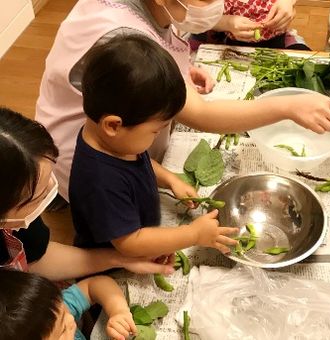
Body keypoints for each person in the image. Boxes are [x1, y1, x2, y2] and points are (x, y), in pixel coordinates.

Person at [35, 0, 330, 203]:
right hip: (90, 161)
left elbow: (150, 46)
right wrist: (288, 106)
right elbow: (200, 114)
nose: (215, 6)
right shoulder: (117, 30)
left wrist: (178, 70)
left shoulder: (152, 8)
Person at [70, 35, 238, 258]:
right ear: (113, 125)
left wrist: (170, 179)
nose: (158, 135)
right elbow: (130, 243)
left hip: (143, 230)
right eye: (155, 130)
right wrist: (192, 235)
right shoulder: (100, 181)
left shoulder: (114, 142)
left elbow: (137, 162)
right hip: (115, 261)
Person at [0, 107, 173, 279]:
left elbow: (38, 258)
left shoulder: (19, 217)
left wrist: (121, 259)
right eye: (37, 196)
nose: (50, 190)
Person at [0, 270, 136, 340]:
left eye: (65, 312)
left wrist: (118, 310)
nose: (71, 320)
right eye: (63, 330)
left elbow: (93, 285)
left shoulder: (51, 312)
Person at [190, 0, 310, 50]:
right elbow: (195, 15)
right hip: (229, 42)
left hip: (277, 40)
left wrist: (288, 2)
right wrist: (227, 22)